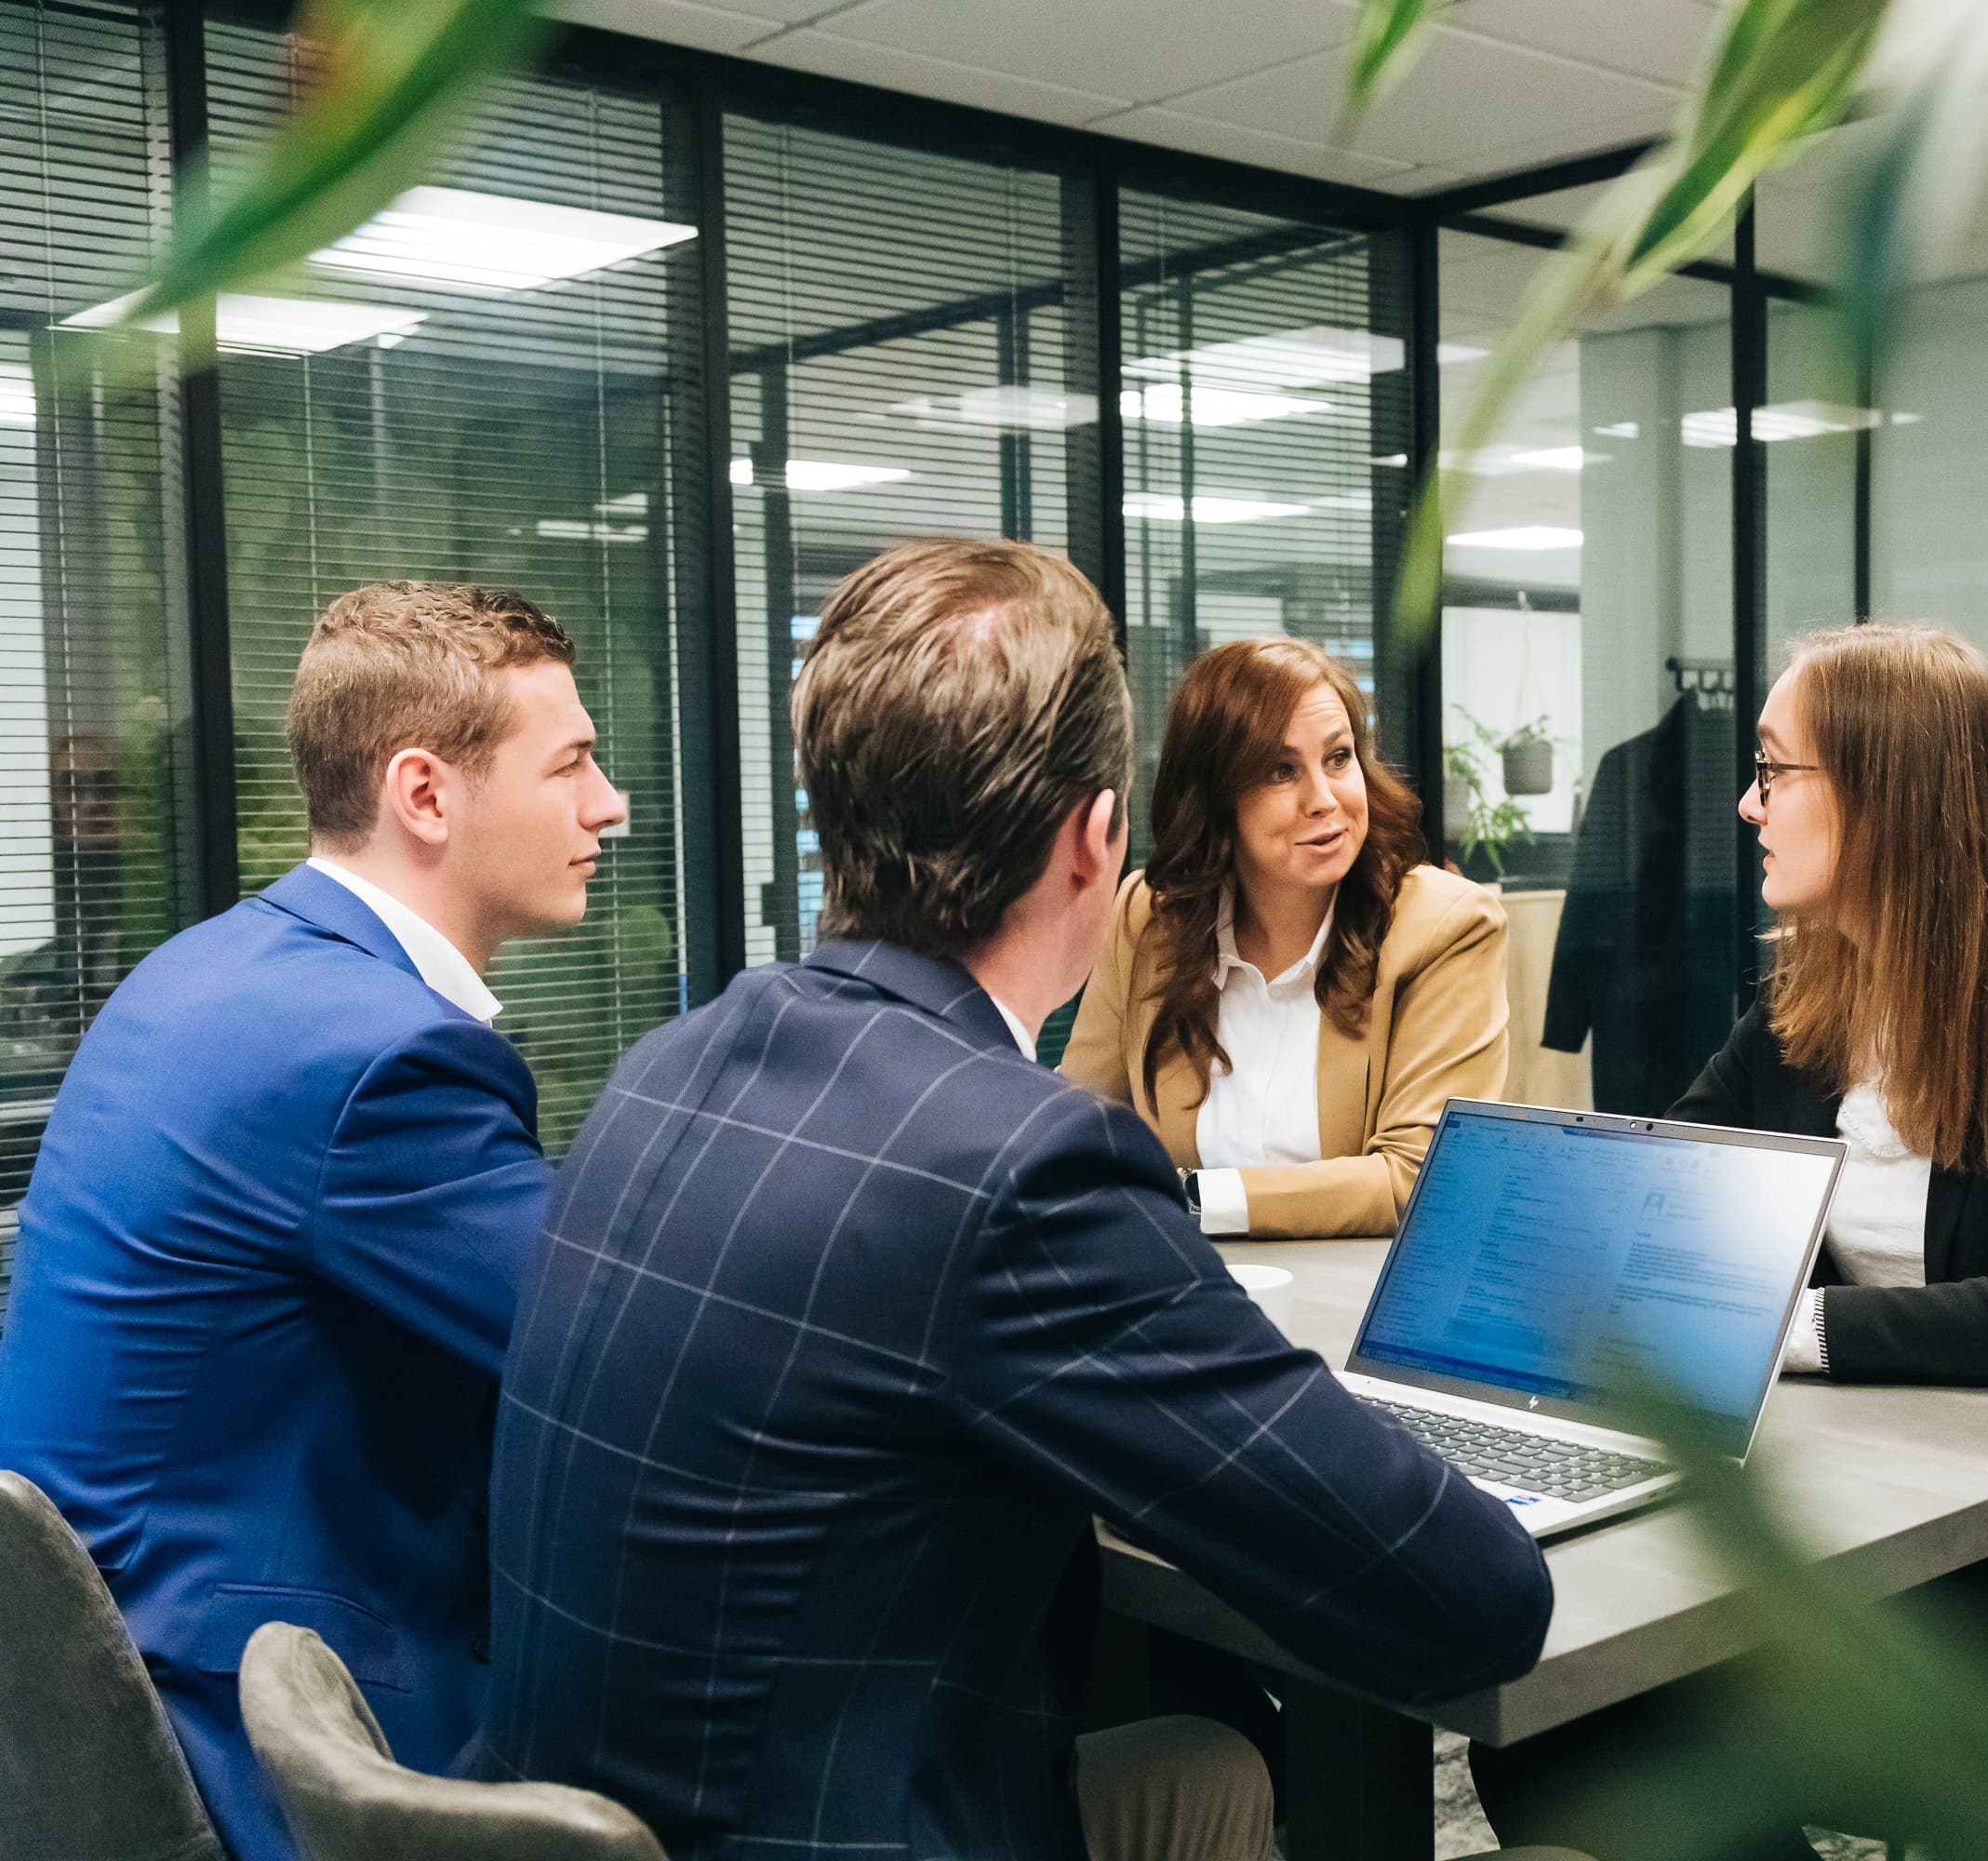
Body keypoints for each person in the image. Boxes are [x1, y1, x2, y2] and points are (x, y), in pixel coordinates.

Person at [474, 540, 1555, 1861]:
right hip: (835, 1828)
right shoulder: (1015, 1170)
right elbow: (1475, 1604)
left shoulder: (673, 1063)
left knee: (1212, 1765)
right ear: (1100, 839)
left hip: (587, 1820)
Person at [1469, 622, 1988, 1860]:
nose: (1745, 802)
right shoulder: (1817, 999)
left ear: (1889, 795)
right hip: (1877, 1538)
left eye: (1775, 770)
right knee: (1559, 1723)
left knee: (1622, 1721)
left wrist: (1793, 1328)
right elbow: (1659, 1194)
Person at [0, 583, 626, 1861]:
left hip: (96, 1697)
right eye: (568, 764)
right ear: (426, 794)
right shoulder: (378, 1056)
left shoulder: (216, 967)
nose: (607, 804)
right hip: (237, 1729)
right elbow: (619, 1356)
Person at [1060, 636, 1509, 1238]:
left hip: (1356, 1303)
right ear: (1215, 795)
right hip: (1181, 1291)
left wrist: (1191, 1200)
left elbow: (1421, 1177)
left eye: (1339, 757)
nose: (1324, 801)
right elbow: (1084, 1124)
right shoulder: (1150, 915)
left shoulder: (1446, 926)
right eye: (1280, 771)